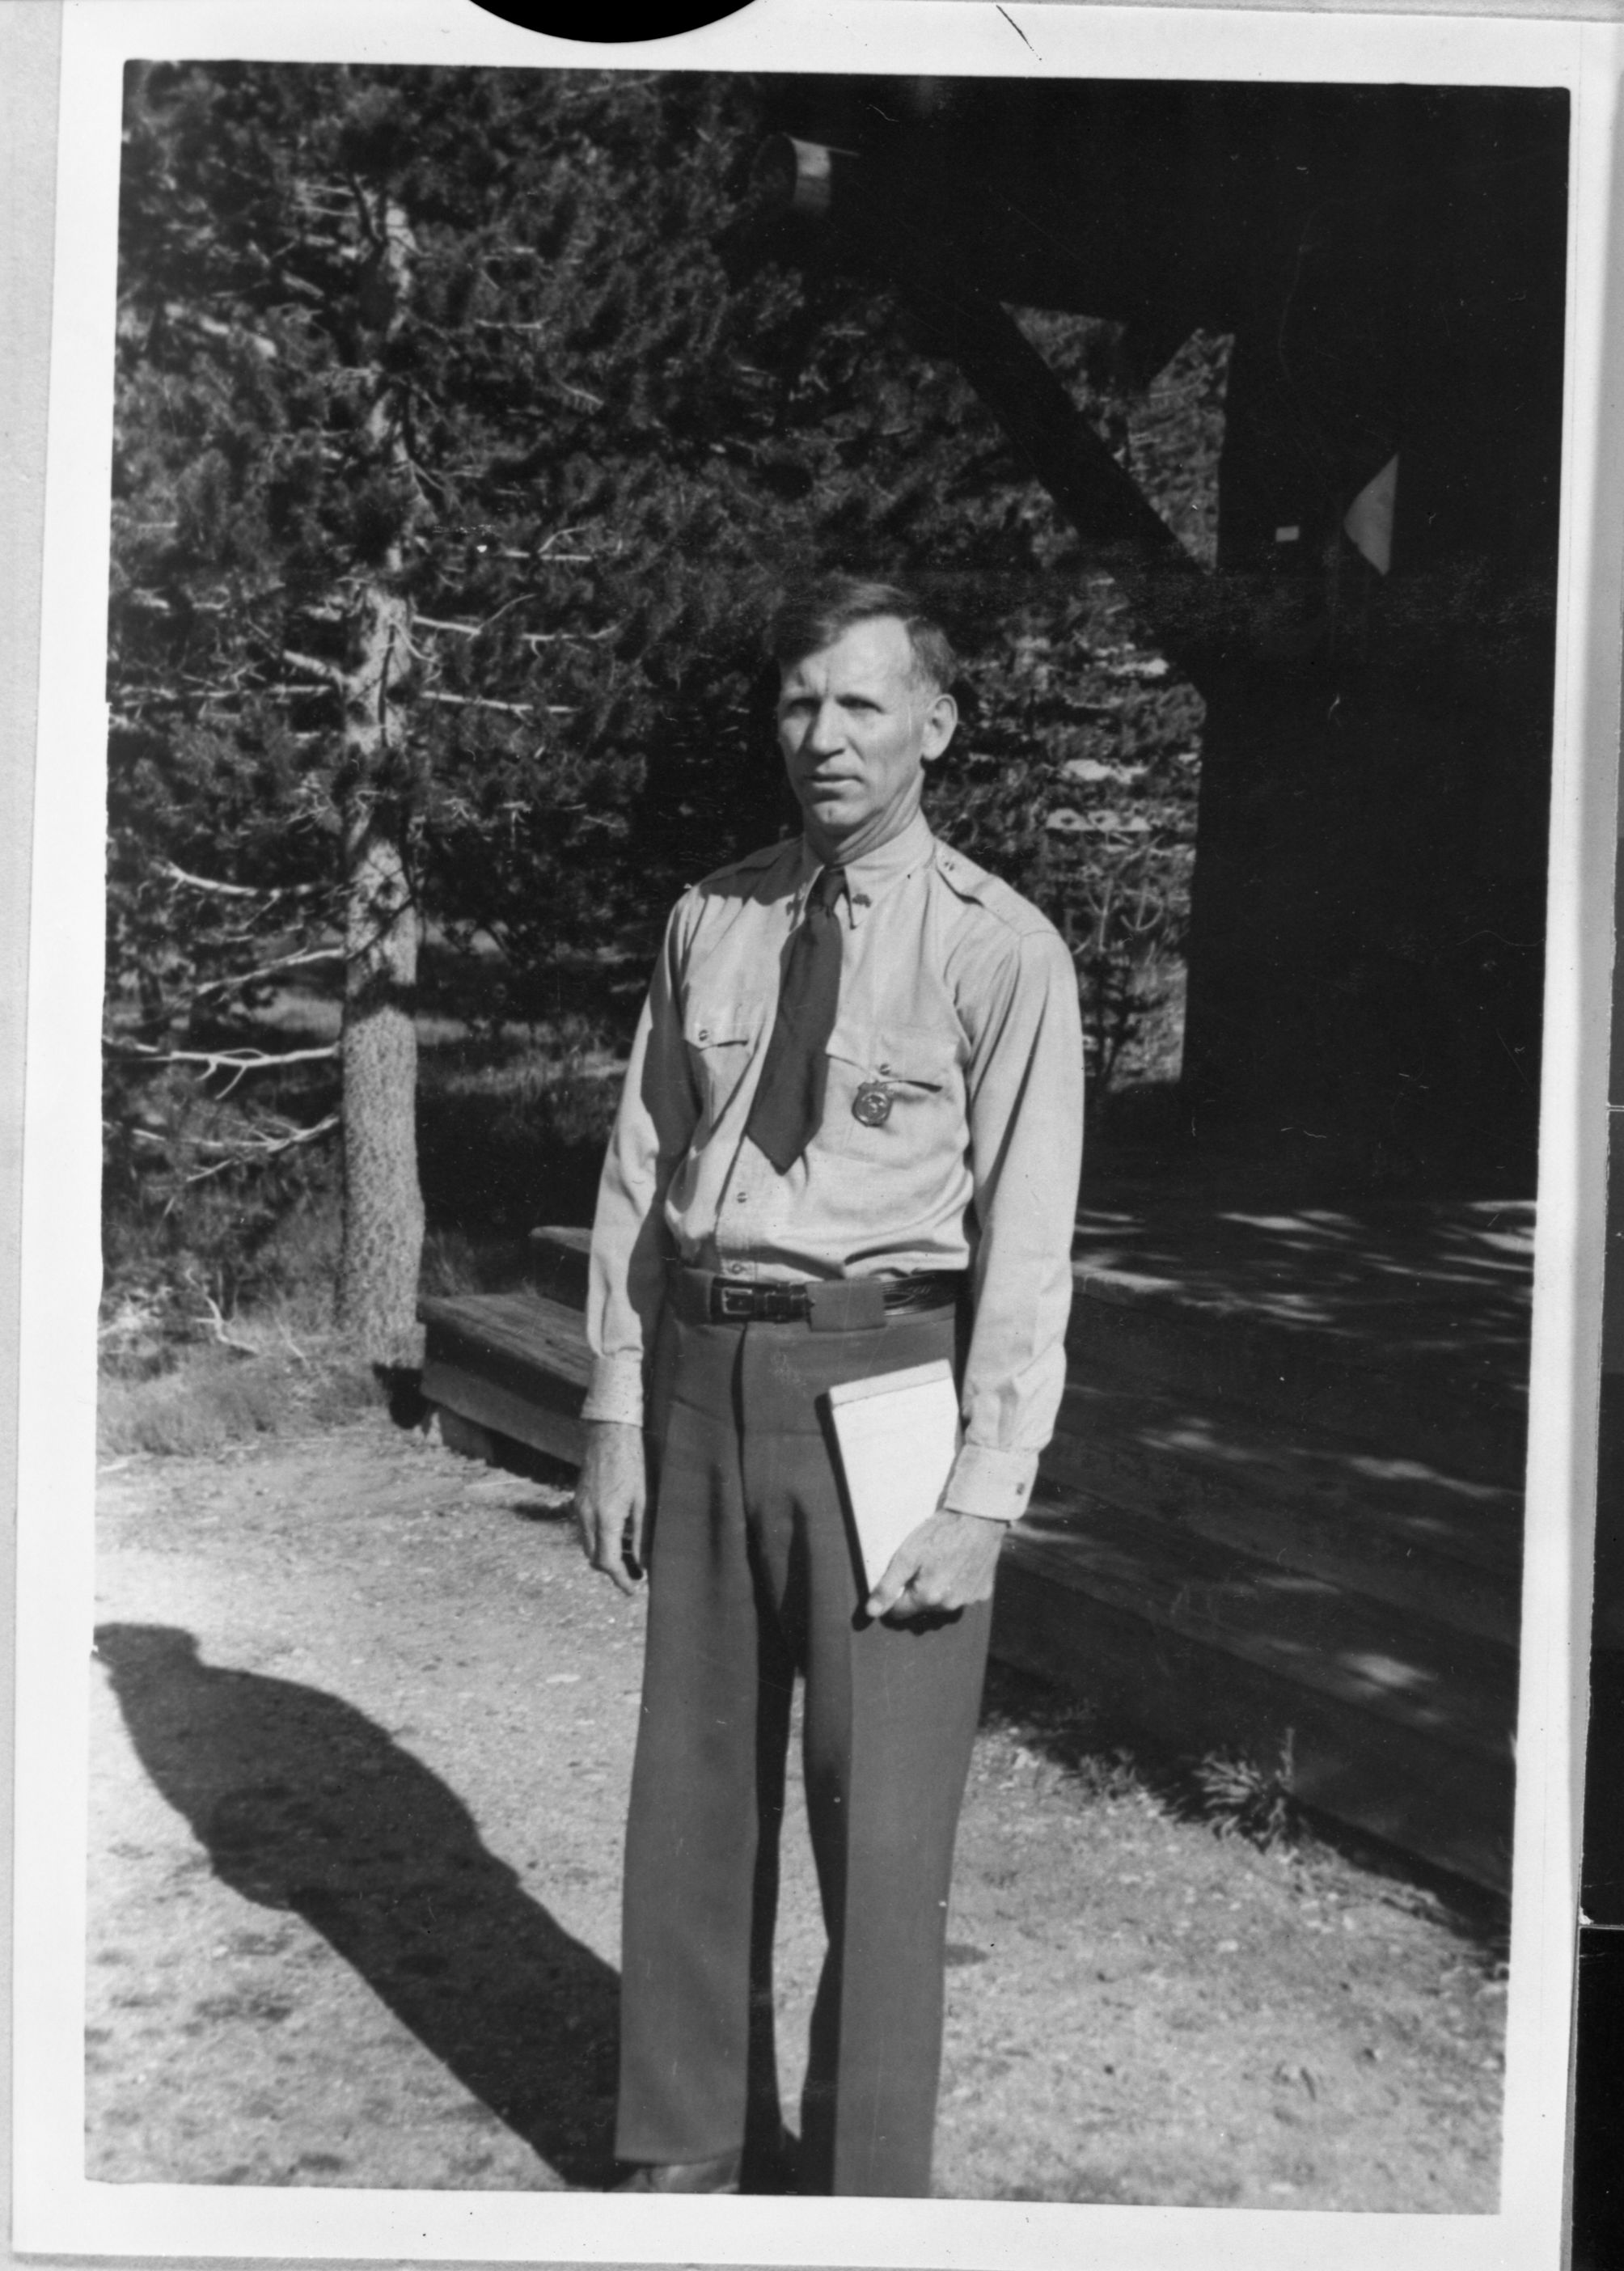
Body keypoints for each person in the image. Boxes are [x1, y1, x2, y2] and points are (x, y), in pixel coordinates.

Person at [572, 573, 1084, 2198]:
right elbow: (639, 1173)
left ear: (933, 725)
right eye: (800, 704)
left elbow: (1027, 1244)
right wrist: (609, 1409)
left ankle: (869, 2200)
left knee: (880, 1828)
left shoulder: (1000, 954)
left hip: (884, 1389)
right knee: (690, 1790)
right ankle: (677, 2151)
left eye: (861, 705)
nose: (825, 738)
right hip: (705, 1380)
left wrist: (984, 1493)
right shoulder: (709, 920)